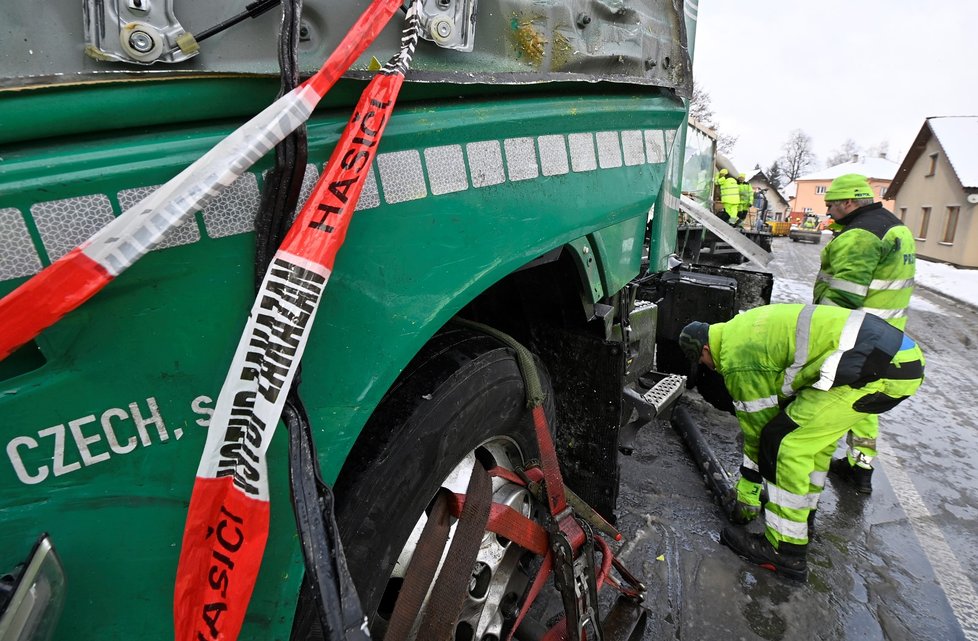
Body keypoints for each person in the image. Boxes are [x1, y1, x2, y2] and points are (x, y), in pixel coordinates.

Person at [678, 304, 924, 580]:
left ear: (706, 350)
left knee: (784, 443)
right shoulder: (741, 330)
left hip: (875, 368)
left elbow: (758, 432)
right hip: (898, 361)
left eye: (703, 363)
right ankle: (801, 521)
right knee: (812, 442)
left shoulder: (737, 359)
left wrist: (746, 498)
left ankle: (785, 550)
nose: (708, 368)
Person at [815, 174, 916, 494]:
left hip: (856, 335)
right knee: (864, 402)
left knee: (833, 401)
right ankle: (861, 465)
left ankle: (815, 466)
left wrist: (817, 332)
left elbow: (843, 298)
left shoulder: (861, 235)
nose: (829, 211)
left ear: (849, 202)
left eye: (832, 205)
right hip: (887, 334)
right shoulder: (894, 226)